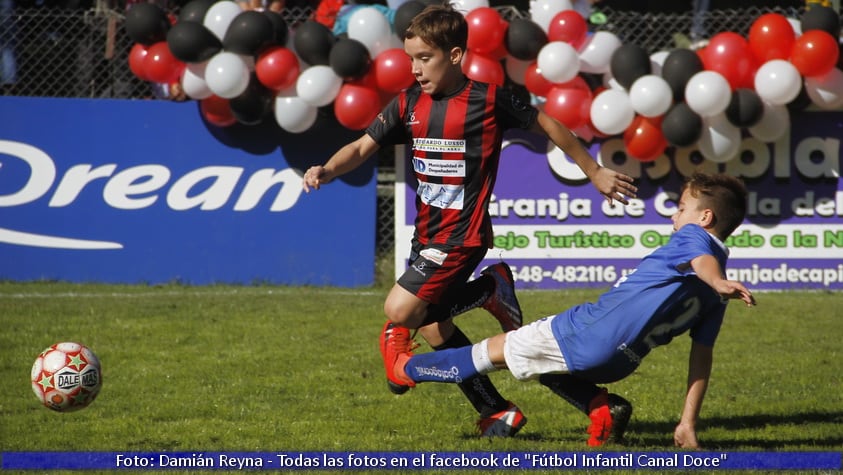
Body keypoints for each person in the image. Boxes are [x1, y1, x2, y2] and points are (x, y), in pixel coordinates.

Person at [302, 3, 637, 437]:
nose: (416, 69)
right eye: (411, 60)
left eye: (426, 59)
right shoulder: (408, 103)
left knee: (400, 310)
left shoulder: (488, 99)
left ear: (455, 55)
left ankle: (486, 290)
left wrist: (594, 172)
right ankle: (504, 409)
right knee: (439, 331)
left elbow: (550, 124)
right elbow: (363, 146)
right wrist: (327, 169)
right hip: (427, 239)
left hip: (462, 236)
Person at [382, 172, 757, 447]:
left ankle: (405, 370)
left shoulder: (695, 241)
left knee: (486, 354)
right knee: (545, 366)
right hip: (618, 365)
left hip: (587, 333)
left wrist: (718, 280)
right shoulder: (714, 297)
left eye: (681, 208)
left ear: (705, 218)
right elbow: (701, 356)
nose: (674, 217)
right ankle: (599, 406)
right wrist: (687, 422)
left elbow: (702, 259)